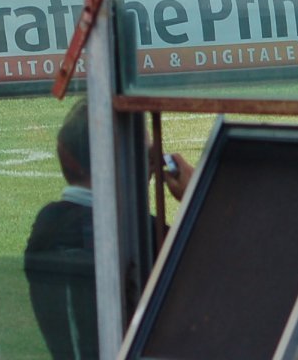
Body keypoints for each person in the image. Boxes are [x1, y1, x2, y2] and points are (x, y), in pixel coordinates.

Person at [24, 101, 192, 360]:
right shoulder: (139, 233)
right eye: (147, 156)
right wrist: (195, 194)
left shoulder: (48, 224)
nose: (152, 164)